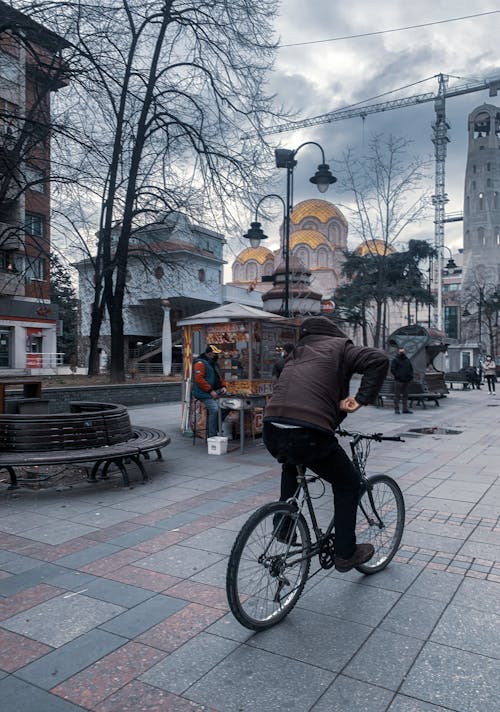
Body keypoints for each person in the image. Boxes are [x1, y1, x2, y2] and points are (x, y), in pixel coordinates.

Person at [263, 316, 388, 573]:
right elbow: (379, 360)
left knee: (292, 464)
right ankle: (345, 553)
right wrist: (359, 400)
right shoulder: (340, 347)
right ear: (333, 333)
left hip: (272, 427)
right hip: (309, 432)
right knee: (348, 484)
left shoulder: (296, 353)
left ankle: (283, 526)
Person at [192, 345, 229, 437]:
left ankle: (216, 427)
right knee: (215, 410)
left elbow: (220, 376)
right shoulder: (200, 363)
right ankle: (212, 434)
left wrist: (223, 386)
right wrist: (210, 391)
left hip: (215, 390)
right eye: (214, 353)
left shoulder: (214, 363)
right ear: (209, 353)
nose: (216, 355)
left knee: (228, 405)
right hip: (203, 393)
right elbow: (199, 379)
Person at [391, 347, 414, 414]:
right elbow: (393, 369)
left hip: (406, 380)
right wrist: (398, 376)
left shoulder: (407, 360)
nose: (402, 353)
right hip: (399, 381)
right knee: (397, 395)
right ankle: (397, 409)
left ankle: (405, 409)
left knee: (405, 395)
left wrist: (410, 376)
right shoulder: (395, 360)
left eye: (403, 351)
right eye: (401, 352)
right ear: (398, 352)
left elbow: (410, 369)